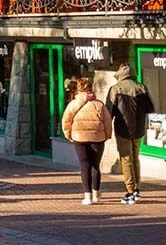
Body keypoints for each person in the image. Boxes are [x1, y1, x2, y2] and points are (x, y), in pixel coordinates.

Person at [106, 63, 154, 205]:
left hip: (122, 129)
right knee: (135, 158)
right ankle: (137, 189)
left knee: (126, 159)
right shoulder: (141, 87)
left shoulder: (115, 89)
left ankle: (130, 191)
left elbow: (109, 111)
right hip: (138, 128)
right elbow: (150, 108)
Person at [61, 77, 113, 205]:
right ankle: (96, 194)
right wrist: (107, 136)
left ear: (78, 88)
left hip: (79, 138)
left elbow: (66, 121)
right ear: (91, 88)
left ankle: (87, 196)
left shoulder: (73, 104)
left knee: (85, 166)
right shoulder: (99, 104)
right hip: (97, 138)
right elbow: (108, 123)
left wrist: (69, 135)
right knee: (95, 166)